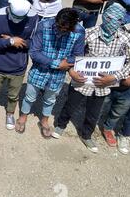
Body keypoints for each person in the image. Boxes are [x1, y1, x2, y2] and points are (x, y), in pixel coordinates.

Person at [54, 3, 130, 153]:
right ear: (104, 16)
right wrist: (71, 71)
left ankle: (86, 135)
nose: (113, 22)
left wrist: (114, 77)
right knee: (70, 105)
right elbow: (73, 52)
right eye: (110, 17)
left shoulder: (125, 38)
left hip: (103, 85)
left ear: (122, 21)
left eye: (118, 20)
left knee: (94, 113)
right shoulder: (89, 33)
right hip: (82, 80)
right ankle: (60, 125)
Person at [16, 8, 84, 137]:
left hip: (58, 75)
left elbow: (78, 55)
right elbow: (34, 52)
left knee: (50, 99)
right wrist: (58, 63)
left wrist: (66, 63)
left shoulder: (79, 31)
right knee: (30, 96)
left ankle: (44, 121)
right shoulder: (44, 26)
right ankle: (23, 116)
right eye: (59, 27)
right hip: (39, 69)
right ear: (56, 20)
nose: (61, 30)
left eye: (66, 29)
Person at [0, 0, 39, 130]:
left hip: (18, 66)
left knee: (13, 95)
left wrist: (20, 41)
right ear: (9, 10)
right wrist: (10, 41)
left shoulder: (34, 16)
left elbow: (34, 42)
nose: (18, 22)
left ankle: (10, 113)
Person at [99, 19, 130, 152]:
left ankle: (108, 128)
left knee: (120, 108)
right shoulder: (121, 29)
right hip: (109, 77)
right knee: (102, 102)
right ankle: (92, 123)